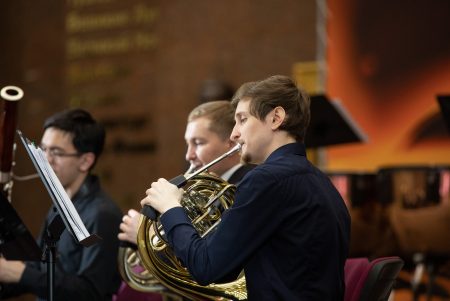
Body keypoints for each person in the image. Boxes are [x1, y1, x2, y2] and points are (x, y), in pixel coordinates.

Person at [141, 75, 351, 300]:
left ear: (276, 118)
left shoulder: (266, 179)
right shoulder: (320, 181)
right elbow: (227, 270)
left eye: (242, 120)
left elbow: (206, 267)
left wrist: (171, 208)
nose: (234, 134)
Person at [0, 109, 123, 301]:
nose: (45, 160)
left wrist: (21, 273)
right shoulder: (61, 204)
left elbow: (90, 292)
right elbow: (40, 268)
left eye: (56, 153)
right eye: (43, 150)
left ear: (85, 161)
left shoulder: (102, 215)